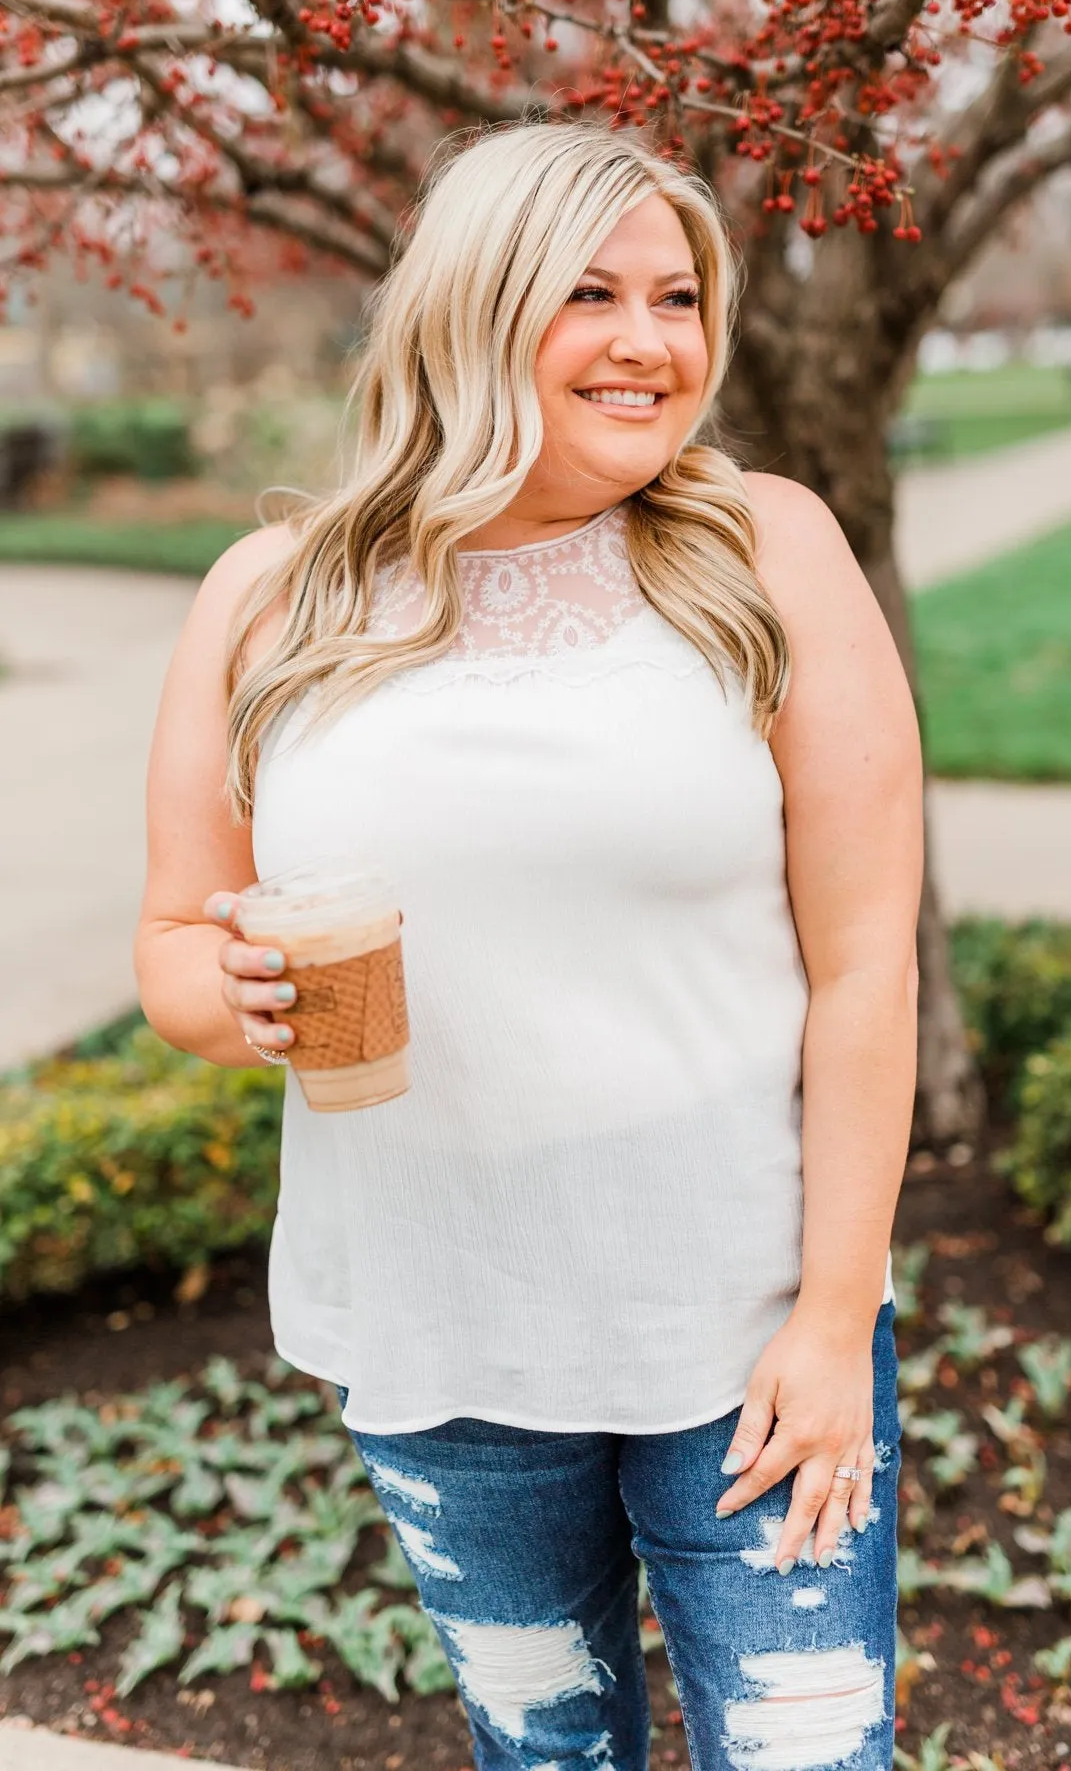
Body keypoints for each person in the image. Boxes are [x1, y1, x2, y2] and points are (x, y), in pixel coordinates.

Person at [135, 116, 923, 1771]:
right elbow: (175, 951)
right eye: (591, 295)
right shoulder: (270, 600)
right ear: (472, 308)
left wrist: (834, 1317)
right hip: (439, 1334)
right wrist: (242, 993)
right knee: (542, 1751)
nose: (651, 344)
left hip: (743, 1323)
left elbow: (865, 966)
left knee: (810, 1750)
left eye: (677, 299)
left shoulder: (767, 552)